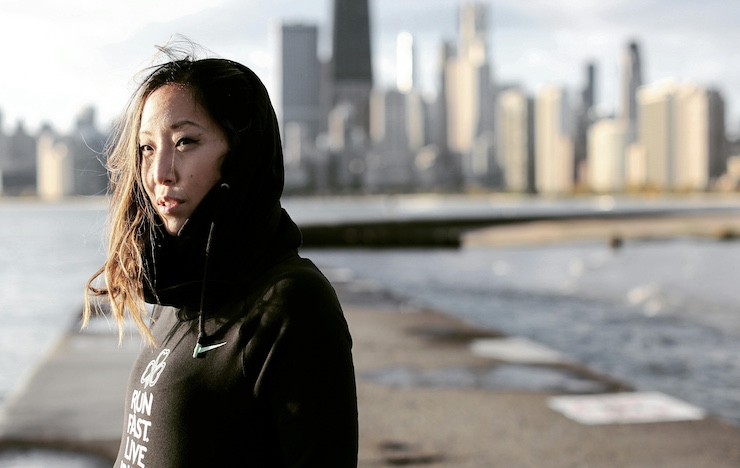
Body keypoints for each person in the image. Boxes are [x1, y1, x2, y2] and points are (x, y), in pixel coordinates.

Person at [85, 46, 358, 467]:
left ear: (241, 154)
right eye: (147, 149)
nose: (161, 173)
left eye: (185, 142)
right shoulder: (180, 296)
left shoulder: (292, 302)